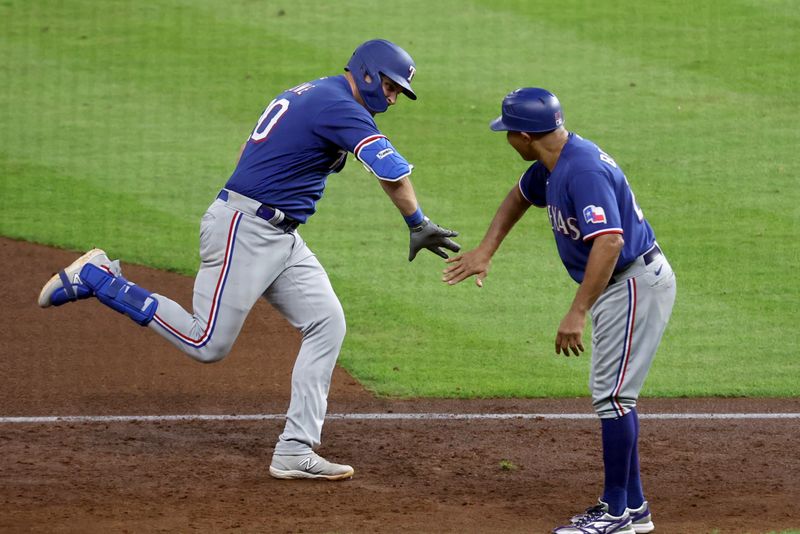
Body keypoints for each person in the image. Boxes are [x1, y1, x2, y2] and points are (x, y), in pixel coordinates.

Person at [38, 39, 460, 481]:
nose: (393, 98)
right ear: (370, 73)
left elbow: (248, 152)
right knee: (207, 344)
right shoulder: (340, 106)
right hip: (246, 228)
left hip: (279, 234)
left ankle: (295, 450)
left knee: (327, 323)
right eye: (392, 88)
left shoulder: (315, 93)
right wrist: (417, 221)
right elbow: (391, 170)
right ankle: (98, 277)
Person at [443, 88, 675, 533]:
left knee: (613, 397)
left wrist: (577, 312)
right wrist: (486, 250)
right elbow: (518, 196)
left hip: (632, 283)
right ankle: (635, 508)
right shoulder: (553, 164)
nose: (506, 138)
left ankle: (615, 514)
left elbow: (610, 242)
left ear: (526, 136)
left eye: (508, 132)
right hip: (621, 283)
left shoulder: (580, 170)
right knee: (615, 396)